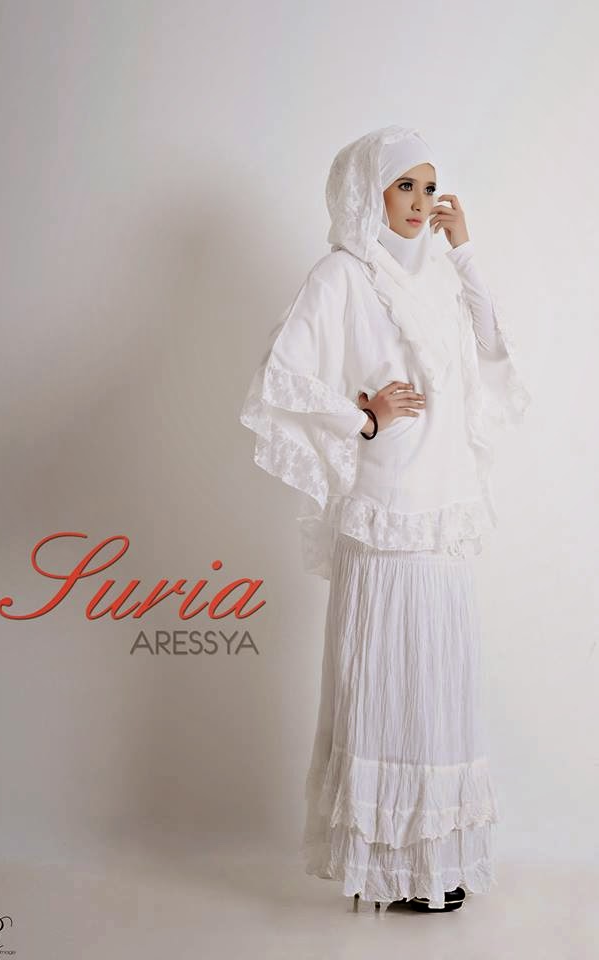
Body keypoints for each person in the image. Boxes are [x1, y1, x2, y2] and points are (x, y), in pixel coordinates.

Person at [239, 125, 531, 913]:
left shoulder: (436, 274)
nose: (420, 201)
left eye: (429, 187)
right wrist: (359, 417)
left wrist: (463, 250)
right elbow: (279, 376)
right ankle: (387, 871)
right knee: (386, 680)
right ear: (367, 189)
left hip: (443, 506)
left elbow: (494, 345)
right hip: (387, 505)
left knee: (438, 681)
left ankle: (436, 862)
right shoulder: (342, 273)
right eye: (405, 184)